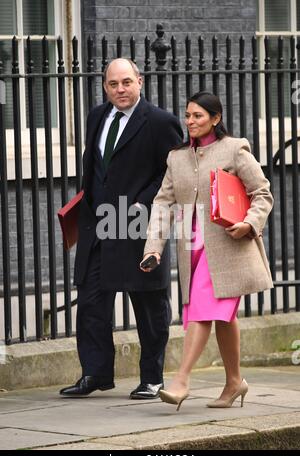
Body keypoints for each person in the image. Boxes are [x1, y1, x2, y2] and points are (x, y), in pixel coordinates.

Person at [141, 91, 273, 410]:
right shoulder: (177, 157)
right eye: (187, 116)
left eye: (197, 116)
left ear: (215, 118)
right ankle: (234, 382)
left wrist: (249, 223)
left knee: (203, 309)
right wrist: (153, 248)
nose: (190, 122)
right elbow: (162, 203)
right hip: (193, 250)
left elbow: (262, 192)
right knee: (222, 317)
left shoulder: (235, 149)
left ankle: (181, 380)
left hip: (229, 250)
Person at [60, 58, 183, 399]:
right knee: (91, 303)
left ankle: (152, 378)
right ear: (105, 87)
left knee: (148, 305)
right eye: (113, 84)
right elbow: (97, 168)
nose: (120, 89)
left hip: (136, 228)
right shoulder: (97, 116)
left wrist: (142, 202)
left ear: (139, 82)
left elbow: (169, 172)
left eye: (126, 82)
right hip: (97, 226)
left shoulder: (160, 122)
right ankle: (95, 374)